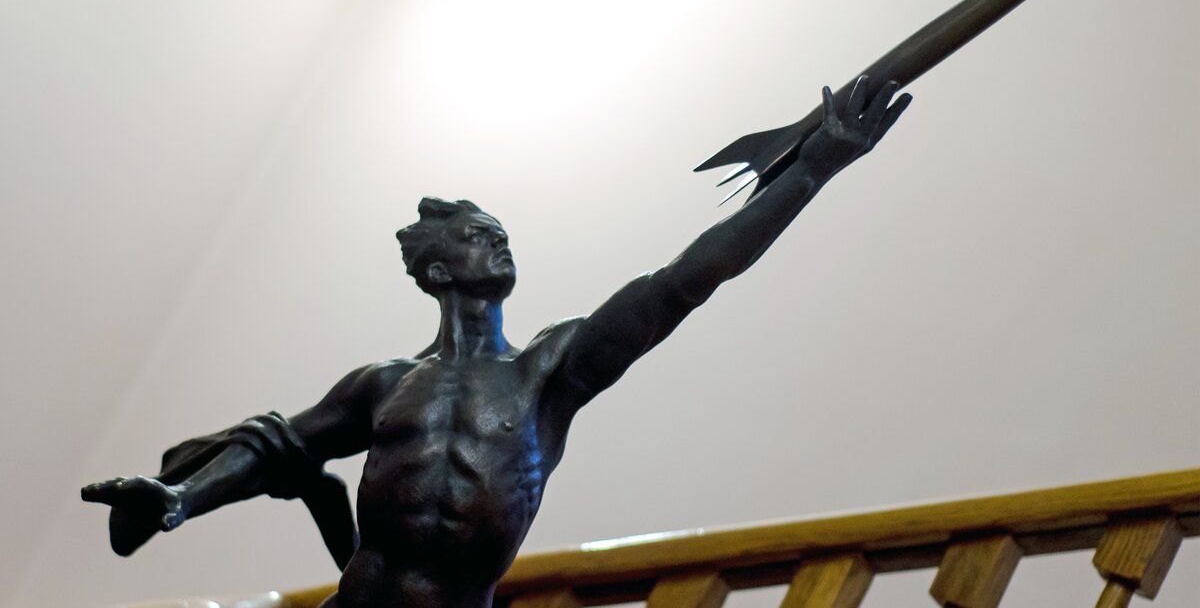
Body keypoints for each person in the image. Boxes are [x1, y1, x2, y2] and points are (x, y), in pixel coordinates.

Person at [83, 80, 911, 607]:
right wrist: (179, 498)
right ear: (439, 268)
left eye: (504, 233)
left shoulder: (550, 369)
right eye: (482, 236)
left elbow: (684, 280)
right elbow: (276, 445)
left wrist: (814, 169)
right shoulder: (383, 383)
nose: (501, 243)